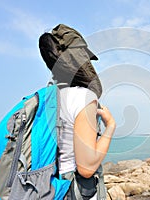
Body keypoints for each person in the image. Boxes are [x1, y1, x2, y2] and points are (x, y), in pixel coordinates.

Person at [39, 25, 116, 200]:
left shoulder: (51, 95)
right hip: (75, 189)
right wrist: (110, 127)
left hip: (52, 188)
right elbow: (86, 168)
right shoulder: (83, 97)